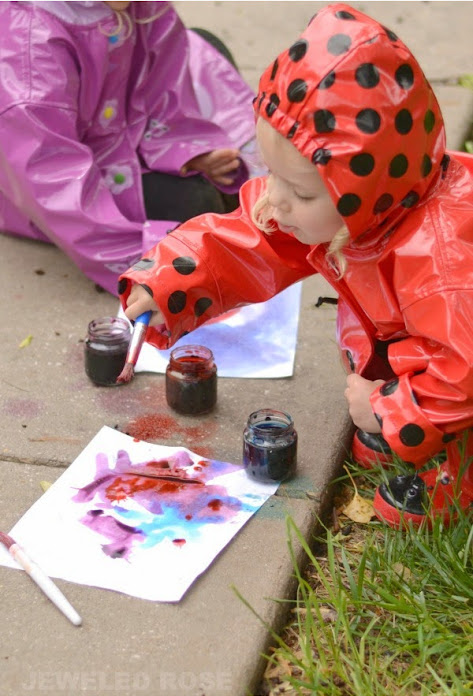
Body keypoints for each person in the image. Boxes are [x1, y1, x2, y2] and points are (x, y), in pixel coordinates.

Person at [118, 3, 473, 528]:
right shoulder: (350, 209)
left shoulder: (442, 259)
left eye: (299, 191)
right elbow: (245, 240)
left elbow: (461, 370)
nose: (276, 202)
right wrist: (167, 281)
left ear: (365, 192)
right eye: (271, 175)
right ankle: (400, 409)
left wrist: (389, 411)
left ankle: (455, 474)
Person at [0, 1, 261, 295]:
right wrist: (143, 271)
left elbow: (165, 81)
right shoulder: (31, 52)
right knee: (195, 206)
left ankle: (220, 192)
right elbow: (49, 175)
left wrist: (189, 149)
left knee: (207, 46)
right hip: (70, 179)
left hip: (123, 124)